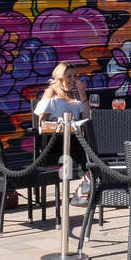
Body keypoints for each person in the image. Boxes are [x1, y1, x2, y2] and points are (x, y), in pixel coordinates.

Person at [34, 61, 90, 195]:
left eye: (75, 76)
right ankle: (87, 183)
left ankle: (87, 183)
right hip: (55, 140)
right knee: (88, 147)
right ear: (60, 77)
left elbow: (87, 119)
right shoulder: (51, 92)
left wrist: (83, 94)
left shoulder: (76, 95)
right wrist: (59, 124)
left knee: (91, 141)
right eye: (69, 76)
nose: (73, 80)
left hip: (74, 139)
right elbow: (41, 122)